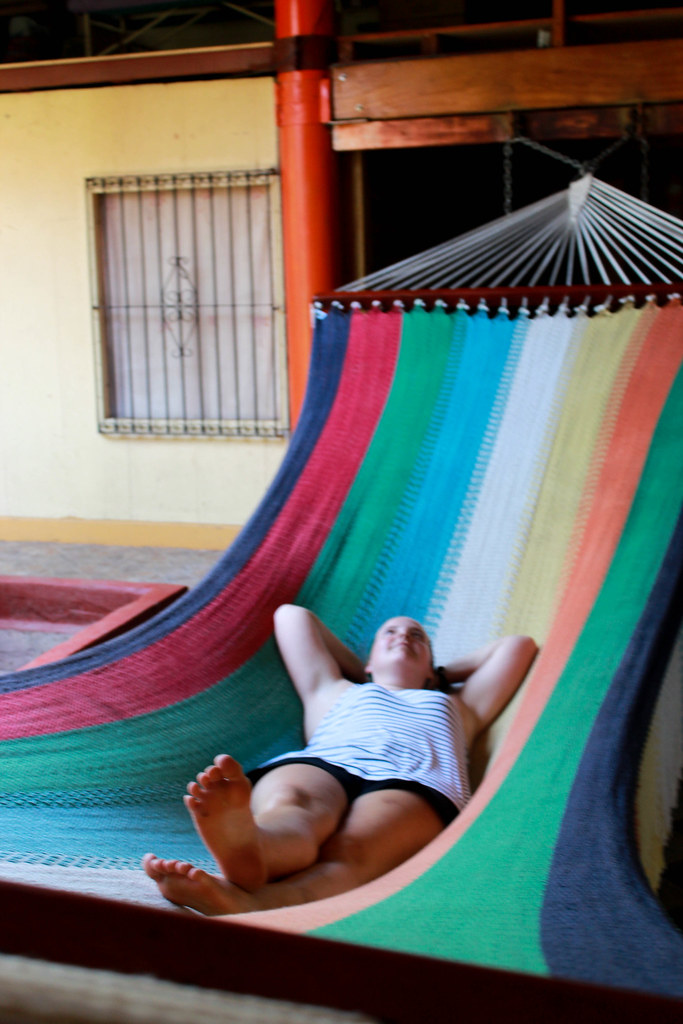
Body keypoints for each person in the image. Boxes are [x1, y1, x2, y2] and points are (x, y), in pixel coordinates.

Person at [143, 604, 537, 916]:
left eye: (418, 636)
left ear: (434, 669)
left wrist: (438, 675)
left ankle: (256, 901)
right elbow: (291, 616)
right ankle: (252, 845)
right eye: (391, 633)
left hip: (414, 782)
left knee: (355, 852)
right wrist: (363, 670)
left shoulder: (459, 705)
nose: (404, 637)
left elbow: (517, 646)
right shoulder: (331, 689)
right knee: (294, 809)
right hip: (326, 764)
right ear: (366, 661)